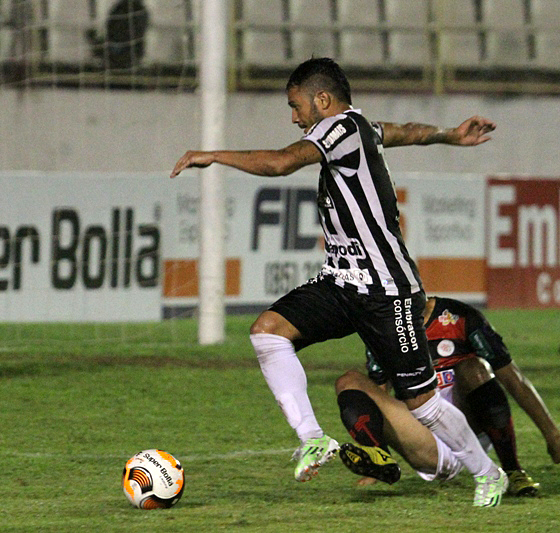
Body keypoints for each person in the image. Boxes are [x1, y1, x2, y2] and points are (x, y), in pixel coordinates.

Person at [170, 57, 507, 506]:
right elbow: (402, 131)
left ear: (322, 100)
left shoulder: (338, 129)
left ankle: (488, 474)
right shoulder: (360, 127)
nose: (295, 118)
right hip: (343, 282)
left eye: (297, 107)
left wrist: (213, 155)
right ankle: (312, 438)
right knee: (267, 332)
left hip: (387, 290)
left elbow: (282, 163)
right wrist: (448, 134)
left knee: (422, 403)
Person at [338, 296, 560, 496]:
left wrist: (552, 436)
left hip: (470, 430)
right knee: (348, 381)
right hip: (425, 441)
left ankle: (513, 471)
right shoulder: (384, 331)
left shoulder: (459, 317)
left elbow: (513, 379)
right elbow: (380, 395)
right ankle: (381, 464)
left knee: (474, 368)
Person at [86, 0, 149, 69]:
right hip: (121, 49)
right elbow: (110, 27)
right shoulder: (119, 8)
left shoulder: (137, 10)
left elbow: (135, 33)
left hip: (126, 50)